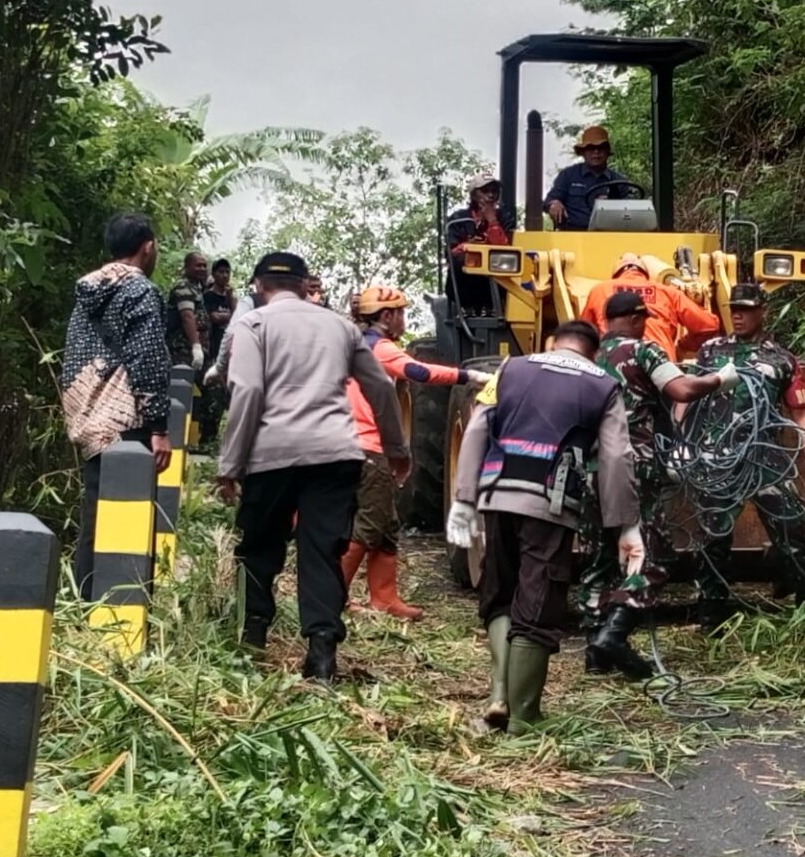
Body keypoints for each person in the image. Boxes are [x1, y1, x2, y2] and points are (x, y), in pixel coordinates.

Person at [216, 251, 408, 682]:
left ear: (259, 287)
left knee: (260, 547)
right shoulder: (340, 325)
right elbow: (378, 385)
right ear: (305, 286)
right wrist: (397, 448)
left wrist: (231, 464)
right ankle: (321, 654)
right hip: (334, 454)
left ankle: (252, 641)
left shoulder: (254, 324)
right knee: (322, 549)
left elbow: (246, 390)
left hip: (270, 455)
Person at [447, 320, 639, 732]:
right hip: (549, 506)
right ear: (593, 351)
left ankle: (500, 696)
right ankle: (525, 719)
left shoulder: (510, 369)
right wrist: (625, 525)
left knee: (500, 595)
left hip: (497, 498)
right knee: (537, 603)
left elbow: (479, 426)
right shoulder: (602, 385)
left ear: (553, 344)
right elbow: (617, 458)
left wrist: (464, 499)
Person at [578, 291, 737, 678]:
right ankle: (613, 637)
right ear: (636, 319)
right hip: (634, 468)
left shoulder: (586, 358)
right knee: (653, 557)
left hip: (590, 470)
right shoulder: (643, 351)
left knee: (599, 556)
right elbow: (680, 390)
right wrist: (719, 379)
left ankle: (594, 652)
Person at [340, 285, 492, 619]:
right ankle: (334, 596)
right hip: (368, 445)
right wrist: (470, 375)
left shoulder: (355, 344)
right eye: (401, 313)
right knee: (369, 524)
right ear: (387, 315)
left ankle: (384, 598)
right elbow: (419, 372)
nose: (404, 320)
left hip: (355, 443)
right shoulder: (380, 349)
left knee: (386, 525)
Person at [691, 283, 805, 633]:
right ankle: (711, 615)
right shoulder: (710, 351)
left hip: (766, 458)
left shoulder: (781, 359)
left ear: (762, 311)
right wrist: (682, 441)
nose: (737, 313)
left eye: (746, 308)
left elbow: (802, 410)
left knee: (792, 532)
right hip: (719, 457)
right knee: (713, 538)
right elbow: (688, 397)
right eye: (734, 307)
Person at [60, 213, 173, 600]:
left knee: (95, 509)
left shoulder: (88, 293)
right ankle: (124, 601)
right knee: (130, 511)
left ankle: (85, 599)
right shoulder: (140, 291)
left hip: (90, 415)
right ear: (148, 247)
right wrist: (159, 427)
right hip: (128, 418)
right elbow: (148, 356)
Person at [580, 253, 721, 362]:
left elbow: (583, 335)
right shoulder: (668, 292)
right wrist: (682, 347)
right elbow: (707, 326)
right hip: (661, 367)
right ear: (645, 274)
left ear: (616, 274)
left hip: (614, 367)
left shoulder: (599, 290)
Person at [447, 172, 517, 313]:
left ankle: (493, 306)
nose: (490, 195)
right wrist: (470, 247)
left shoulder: (505, 217)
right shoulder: (458, 218)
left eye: (494, 191)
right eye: (485, 191)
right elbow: (451, 252)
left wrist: (492, 221)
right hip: (466, 284)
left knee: (504, 262)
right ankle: (468, 308)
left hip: (497, 283)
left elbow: (506, 250)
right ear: (474, 195)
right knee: (462, 261)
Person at [544, 125, 635, 231]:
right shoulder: (568, 175)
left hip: (610, 238)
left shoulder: (620, 181)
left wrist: (611, 207)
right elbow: (549, 200)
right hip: (572, 237)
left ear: (607, 152)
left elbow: (632, 213)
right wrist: (553, 204)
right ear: (583, 152)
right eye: (591, 148)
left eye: (601, 147)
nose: (596, 152)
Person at [200, 259, 236, 443]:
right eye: (221, 272)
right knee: (213, 396)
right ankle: (207, 438)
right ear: (213, 274)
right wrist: (228, 316)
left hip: (230, 355)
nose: (225, 275)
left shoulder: (229, 298)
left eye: (227, 272)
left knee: (229, 396)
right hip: (212, 351)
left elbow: (239, 319)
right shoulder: (208, 297)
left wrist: (231, 301)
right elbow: (213, 317)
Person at [166, 252, 210, 372]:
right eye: (198, 266)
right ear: (187, 267)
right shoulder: (183, 286)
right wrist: (196, 346)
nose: (202, 269)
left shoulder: (198, 288)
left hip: (200, 349)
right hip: (184, 350)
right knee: (183, 386)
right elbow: (187, 316)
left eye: (204, 266)